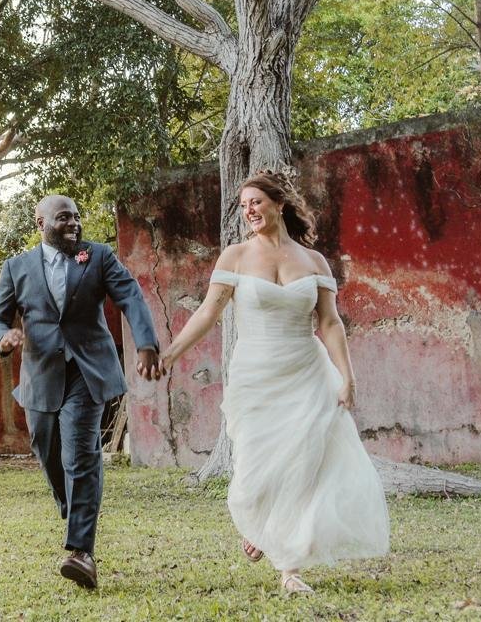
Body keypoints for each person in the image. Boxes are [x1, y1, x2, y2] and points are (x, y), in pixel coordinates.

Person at [150, 170, 388, 594]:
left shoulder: (314, 262)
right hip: (255, 372)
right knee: (257, 466)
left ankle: (290, 569)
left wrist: (347, 377)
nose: (249, 211)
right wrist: (170, 354)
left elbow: (330, 323)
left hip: (306, 368)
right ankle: (258, 523)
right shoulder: (235, 257)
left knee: (304, 462)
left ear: (279, 204)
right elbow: (208, 314)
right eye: (243, 206)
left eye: (256, 202)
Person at [0, 194, 160, 591]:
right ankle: (76, 506)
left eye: (76, 218)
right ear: (40, 223)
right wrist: (4, 338)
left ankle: (82, 552)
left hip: (88, 370)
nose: (74, 224)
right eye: (64, 218)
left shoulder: (97, 257)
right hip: (40, 375)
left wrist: (146, 342)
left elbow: (130, 295)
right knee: (47, 451)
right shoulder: (17, 268)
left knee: (80, 454)